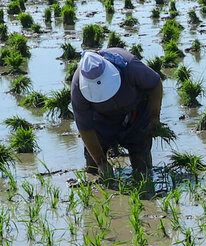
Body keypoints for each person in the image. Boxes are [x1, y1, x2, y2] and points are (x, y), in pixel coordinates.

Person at [70, 49, 163, 180]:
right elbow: (85, 128)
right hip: (101, 120)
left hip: (135, 113)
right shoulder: (78, 86)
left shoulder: (129, 65)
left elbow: (155, 84)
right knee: (93, 169)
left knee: (143, 168)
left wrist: (154, 116)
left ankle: (145, 188)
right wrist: (101, 161)